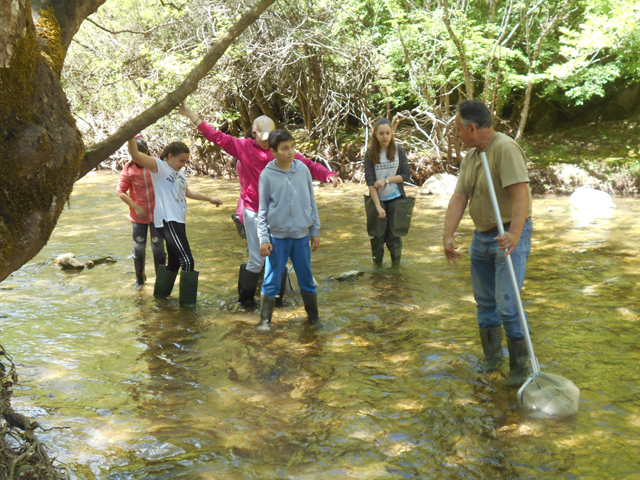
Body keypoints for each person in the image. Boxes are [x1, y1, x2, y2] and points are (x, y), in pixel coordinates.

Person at [177, 102, 339, 307]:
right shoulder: (243, 147)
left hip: (278, 214)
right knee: (257, 259)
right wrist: (190, 114)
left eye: (270, 138)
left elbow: (307, 165)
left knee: (279, 259)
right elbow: (215, 136)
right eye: (263, 138)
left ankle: (276, 303)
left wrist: (328, 174)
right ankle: (244, 303)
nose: (267, 142)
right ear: (253, 134)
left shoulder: (279, 150)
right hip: (253, 211)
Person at [443, 99, 533, 387]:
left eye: (458, 129)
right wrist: (448, 235)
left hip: (508, 236)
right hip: (481, 236)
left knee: (508, 306)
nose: (456, 134)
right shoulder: (472, 156)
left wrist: (515, 234)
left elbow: (521, 194)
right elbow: (459, 197)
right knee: (485, 305)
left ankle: (520, 369)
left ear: (472, 128)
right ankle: (493, 361)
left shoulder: (504, 149)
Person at [127, 137, 223, 305]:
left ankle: (160, 299)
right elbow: (135, 155)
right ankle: (187, 308)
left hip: (178, 220)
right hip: (168, 220)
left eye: (185, 161)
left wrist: (210, 199)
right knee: (187, 261)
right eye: (181, 160)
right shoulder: (159, 167)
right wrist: (129, 136)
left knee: (175, 262)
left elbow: (188, 193)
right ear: (170, 156)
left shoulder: (180, 173)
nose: (183, 164)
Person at [257, 129, 321, 332]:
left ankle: (313, 320)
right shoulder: (267, 175)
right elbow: (262, 210)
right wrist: (263, 238)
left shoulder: (303, 170)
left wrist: (315, 230)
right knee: (271, 280)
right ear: (273, 151)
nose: (291, 151)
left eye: (292, 147)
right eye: (285, 148)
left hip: (301, 236)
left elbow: (312, 201)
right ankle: (264, 322)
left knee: (307, 279)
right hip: (277, 238)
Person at [117, 135, 167, 288]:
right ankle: (140, 281)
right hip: (138, 216)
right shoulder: (129, 168)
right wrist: (136, 207)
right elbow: (121, 191)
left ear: (147, 152)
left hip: (158, 215)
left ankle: (161, 282)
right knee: (138, 249)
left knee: (158, 249)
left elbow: (169, 182)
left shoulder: (157, 164)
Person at [364, 119, 413, 267]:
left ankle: (396, 269)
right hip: (377, 199)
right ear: (375, 134)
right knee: (377, 237)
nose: (385, 137)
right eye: (381, 134)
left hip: (396, 198)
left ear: (392, 133)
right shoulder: (370, 153)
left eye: (387, 133)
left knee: (395, 236)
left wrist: (386, 179)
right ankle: (377, 269)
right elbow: (370, 182)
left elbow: (405, 176)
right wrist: (378, 206)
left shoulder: (399, 150)